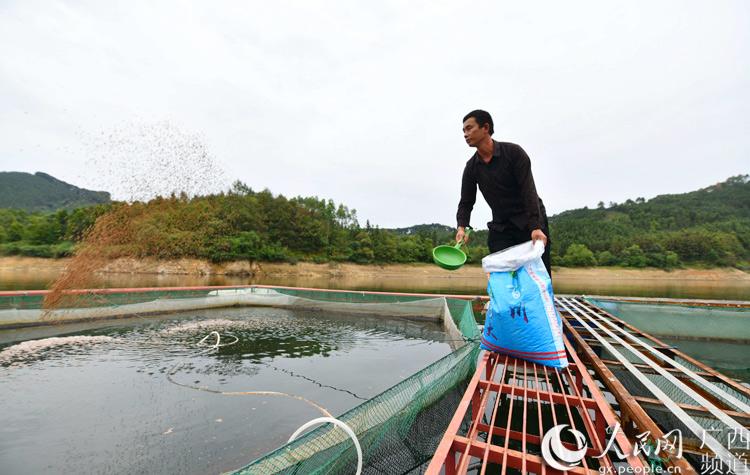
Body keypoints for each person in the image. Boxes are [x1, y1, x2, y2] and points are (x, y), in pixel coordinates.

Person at [455, 109, 552, 276]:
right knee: (499, 271)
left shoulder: (514, 153)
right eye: (463, 130)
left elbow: (528, 190)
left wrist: (536, 227)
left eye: (469, 128)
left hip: (529, 220)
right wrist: (461, 228)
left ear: (486, 127)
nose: (465, 134)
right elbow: (466, 201)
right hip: (501, 226)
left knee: (539, 273)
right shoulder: (471, 167)